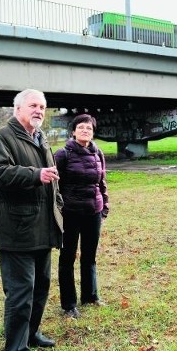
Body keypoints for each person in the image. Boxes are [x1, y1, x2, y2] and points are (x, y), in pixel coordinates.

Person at [0, 88, 64, 351]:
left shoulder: (41, 139)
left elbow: (52, 180)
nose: (39, 110)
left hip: (43, 228)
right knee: (20, 292)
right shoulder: (1, 138)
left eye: (42, 106)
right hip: (17, 230)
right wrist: (35, 174)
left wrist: (58, 205)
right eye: (33, 105)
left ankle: (31, 335)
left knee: (41, 287)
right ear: (18, 108)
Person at [54, 114, 109, 319]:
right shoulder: (63, 154)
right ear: (74, 131)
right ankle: (69, 305)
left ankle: (90, 296)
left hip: (93, 212)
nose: (85, 130)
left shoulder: (98, 153)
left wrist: (104, 205)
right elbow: (54, 186)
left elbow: (102, 182)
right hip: (70, 214)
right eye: (81, 127)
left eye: (89, 128)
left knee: (89, 256)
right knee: (67, 258)